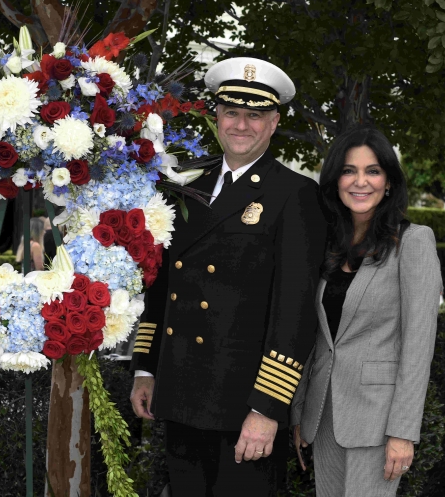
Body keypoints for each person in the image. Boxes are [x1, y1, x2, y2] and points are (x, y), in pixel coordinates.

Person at [130, 57, 327, 495]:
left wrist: (267, 408)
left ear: (273, 123)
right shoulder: (183, 183)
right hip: (180, 390)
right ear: (216, 116)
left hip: (243, 405)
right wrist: (146, 368)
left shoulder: (294, 194)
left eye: (254, 115)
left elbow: (294, 313)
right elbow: (161, 285)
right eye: (232, 112)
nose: (241, 125)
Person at [290, 127, 441, 496]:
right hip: (323, 414)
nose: (360, 181)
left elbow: (418, 345)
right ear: (335, 181)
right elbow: (315, 335)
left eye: (373, 171)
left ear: (388, 182)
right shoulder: (329, 242)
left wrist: (403, 432)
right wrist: (299, 411)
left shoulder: (413, 241)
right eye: (348, 171)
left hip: (378, 421)